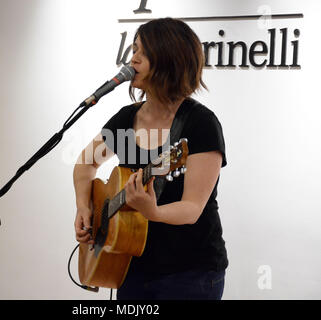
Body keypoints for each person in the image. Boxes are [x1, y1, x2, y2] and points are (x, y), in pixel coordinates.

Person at [73, 18, 228, 300]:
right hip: (129, 264)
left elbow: (192, 207)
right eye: (133, 50)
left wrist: (152, 212)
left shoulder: (200, 124)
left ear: (169, 59)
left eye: (142, 53)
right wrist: (84, 207)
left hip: (190, 274)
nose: (132, 59)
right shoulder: (126, 119)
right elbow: (85, 164)